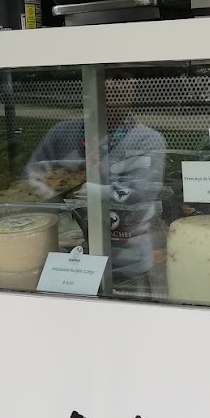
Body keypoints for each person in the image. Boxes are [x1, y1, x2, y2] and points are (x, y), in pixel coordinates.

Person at [25, 69, 167, 294]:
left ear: (134, 87)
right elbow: (31, 182)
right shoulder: (62, 134)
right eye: (102, 78)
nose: (110, 84)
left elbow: (141, 193)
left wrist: (92, 192)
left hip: (128, 263)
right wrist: (53, 193)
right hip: (68, 260)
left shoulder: (148, 140)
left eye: (120, 78)